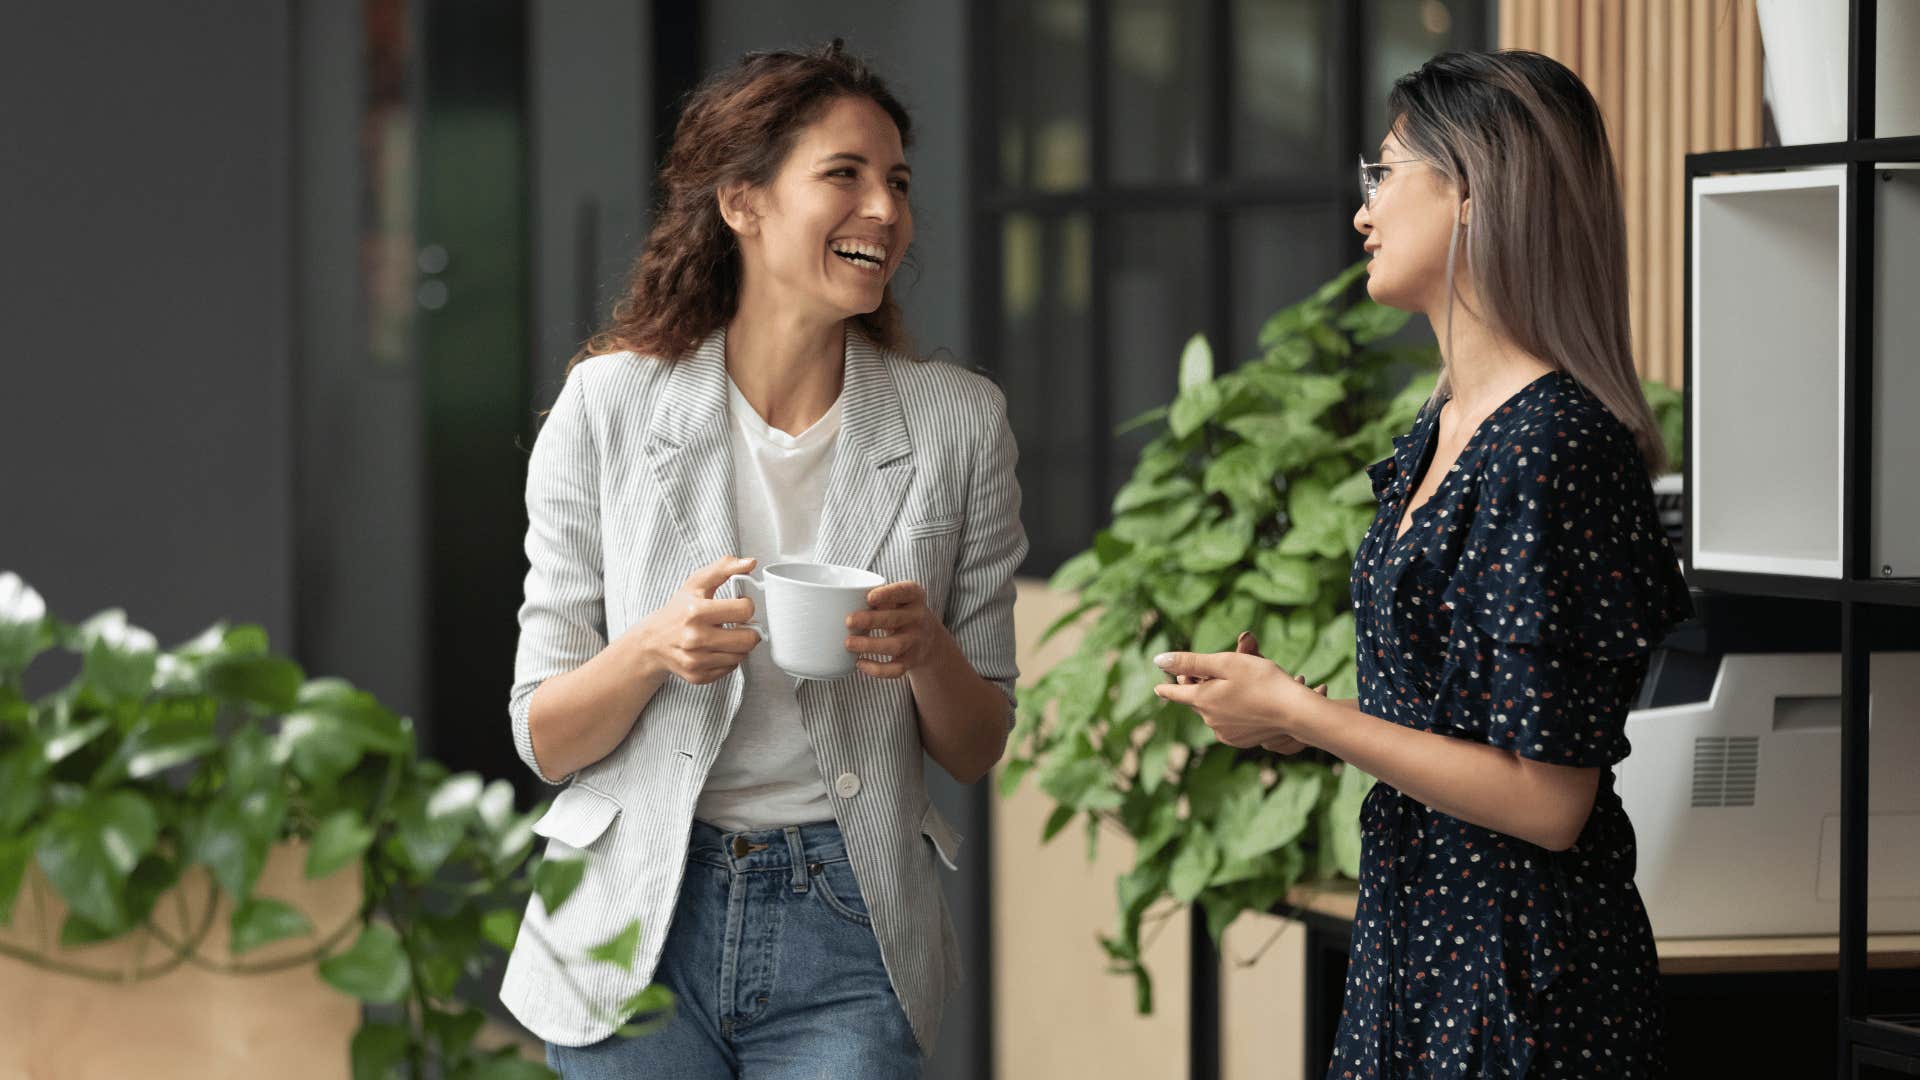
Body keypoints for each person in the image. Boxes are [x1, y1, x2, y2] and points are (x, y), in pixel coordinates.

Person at [1154, 50, 1692, 1078]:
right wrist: (1285, 717)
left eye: (1387, 173)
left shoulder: (1553, 446)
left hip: (1524, 980)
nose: (1363, 211)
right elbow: (1450, 729)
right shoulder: (1441, 428)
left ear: (1476, 195)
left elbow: (1546, 800)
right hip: (1417, 945)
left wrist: (1309, 716)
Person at [498, 41, 1026, 1079]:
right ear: (742, 202)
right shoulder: (608, 407)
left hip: (849, 920)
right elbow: (545, 736)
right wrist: (654, 648)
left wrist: (926, 651)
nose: (885, 208)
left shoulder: (960, 423)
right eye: (845, 175)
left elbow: (976, 745)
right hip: (633, 916)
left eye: (899, 182)